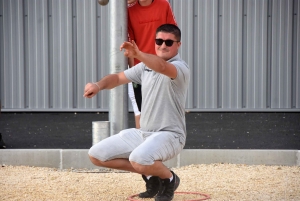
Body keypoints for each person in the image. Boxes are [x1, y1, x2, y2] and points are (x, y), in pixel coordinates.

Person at [83, 24, 189, 201]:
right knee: (96, 155)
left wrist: (138, 54)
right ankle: (151, 175)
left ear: (178, 44)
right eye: (159, 41)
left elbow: (162, 67)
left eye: (169, 42)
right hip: (144, 134)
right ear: (154, 42)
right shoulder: (145, 67)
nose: (163, 45)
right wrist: (98, 85)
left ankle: (169, 179)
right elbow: (117, 78)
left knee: (139, 159)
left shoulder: (180, 68)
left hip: (171, 135)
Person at [127, 0, 177, 128]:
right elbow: (130, 45)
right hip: (141, 69)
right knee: (141, 114)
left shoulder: (163, 4)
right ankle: (142, 145)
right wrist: (133, 75)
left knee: (165, 114)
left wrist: (170, 65)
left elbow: (173, 36)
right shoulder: (129, 10)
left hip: (162, 67)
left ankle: (165, 145)